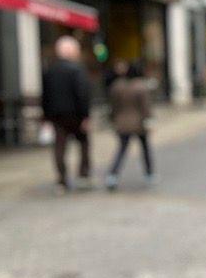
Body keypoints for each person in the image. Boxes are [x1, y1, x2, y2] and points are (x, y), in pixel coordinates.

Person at [41, 36, 92, 192]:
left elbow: (45, 95)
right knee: (83, 144)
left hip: (57, 116)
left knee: (59, 147)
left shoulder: (50, 70)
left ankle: (62, 179)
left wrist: (46, 117)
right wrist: (85, 116)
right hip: (75, 115)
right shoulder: (77, 70)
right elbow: (82, 93)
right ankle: (83, 175)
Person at [104, 61, 154, 190]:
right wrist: (149, 120)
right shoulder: (141, 87)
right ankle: (149, 174)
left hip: (122, 123)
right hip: (139, 124)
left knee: (122, 150)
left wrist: (113, 119)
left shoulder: (117, 86)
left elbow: (113, 106)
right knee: (145, 149)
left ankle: (112, 176)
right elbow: (146, 107)